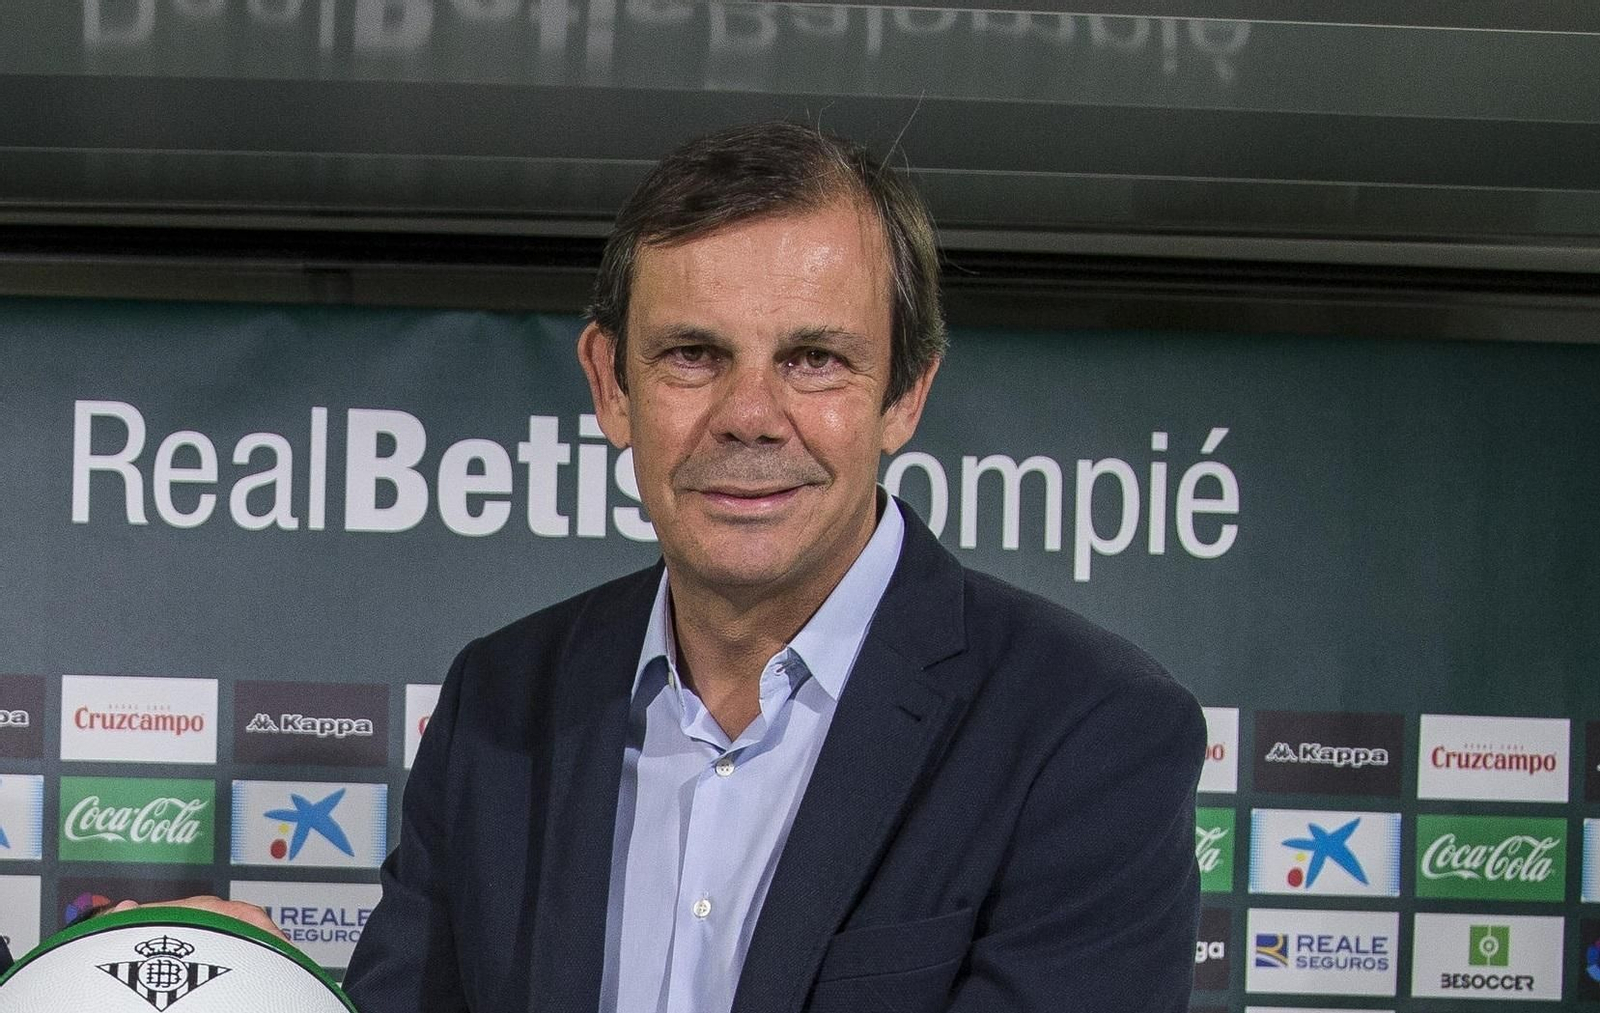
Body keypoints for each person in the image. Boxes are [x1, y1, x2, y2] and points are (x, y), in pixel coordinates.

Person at [138, 121, 1207, 1012]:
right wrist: (264, 992)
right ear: (611, 384)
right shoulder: (501, 700)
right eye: (693, 354)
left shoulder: (1087, 730)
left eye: (813, 359)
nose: (750, 416)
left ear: (906, 393)